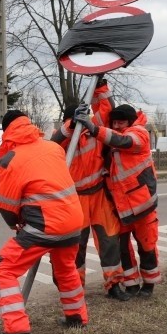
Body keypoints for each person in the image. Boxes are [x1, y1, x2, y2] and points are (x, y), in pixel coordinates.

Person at [0, 110, 87, 334]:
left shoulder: (10, 159)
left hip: (45, 225)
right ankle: (76, 318)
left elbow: (7, 207)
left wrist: (16, 225)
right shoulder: (53, 149)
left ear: (6, 132)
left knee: (1, 268)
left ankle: (17, 332)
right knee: (66, 269)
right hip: (74, 222)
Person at [76, 103, 160, 300]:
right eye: (114, 121)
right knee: (123, 248)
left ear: (130, 121)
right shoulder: (111, 140)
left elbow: (123, 141)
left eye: (121, 121)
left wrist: (94, 128)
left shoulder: (139, 134)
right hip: (120, 208)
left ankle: (149, 284)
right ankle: (131, 284)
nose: (117, 124)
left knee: (147, 246)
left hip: (142, 207)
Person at [49, 79, 124, 298]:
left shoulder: (94, 128)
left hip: (99, 194)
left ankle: (114, 284)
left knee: (109, 240)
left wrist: (100, 86)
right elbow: (55, 143)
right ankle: (75, 287)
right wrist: (70, 127)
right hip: (75, 198)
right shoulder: (62, 138)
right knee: (74, 246)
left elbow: (107, 110)